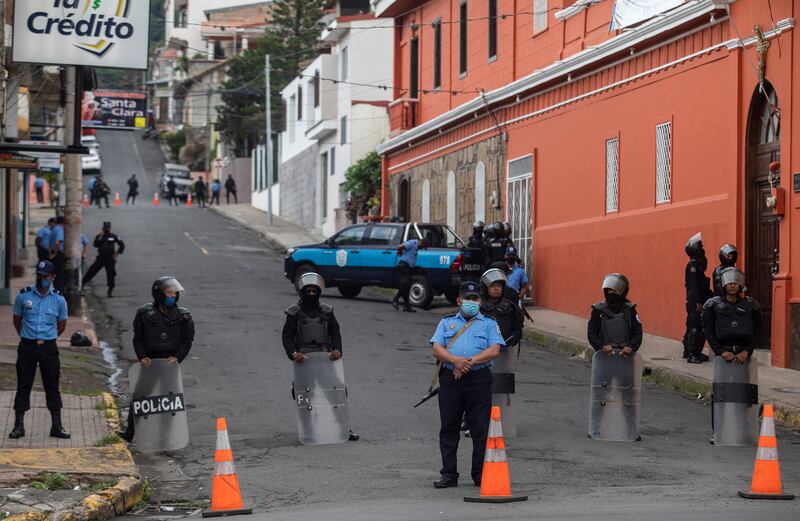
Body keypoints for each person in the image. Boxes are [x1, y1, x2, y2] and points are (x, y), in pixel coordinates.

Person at [431, 281, 505, 488]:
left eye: (475, 299)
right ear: (459, 301)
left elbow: (494, 350)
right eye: (467, 299)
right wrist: (455, 361)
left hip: (478, 380)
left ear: (480, 301)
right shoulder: (446, 323)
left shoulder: (489, 323)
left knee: (480, 429)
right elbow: (437, 349)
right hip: (450, 381)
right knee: (448, 427)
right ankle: (449, 474)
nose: (471, 302)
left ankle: (480, 474)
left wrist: (467, 363)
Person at [282, 273, 358, 441]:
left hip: (325, 358)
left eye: (313, 292)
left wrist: (337, 350)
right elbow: (286, 336)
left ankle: (344, 427)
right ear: (302, 292)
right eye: (308, 291)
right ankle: (308, 428)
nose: (311, 295)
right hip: (304, 360)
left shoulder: (327, 312)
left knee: (338, 392)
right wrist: (293, 354)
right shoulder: (294, 313)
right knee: (302, 393)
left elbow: (335, 333)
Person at [118, 277, 194, 442]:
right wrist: (143, 357)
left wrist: (177, 358)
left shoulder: (183, 316)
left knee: (169, 402)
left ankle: (165, 436)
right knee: (140, 398)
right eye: (169, 293)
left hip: (169, 364)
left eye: (174, 293)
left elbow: (187, 342)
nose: (172, 296)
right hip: (150, 363)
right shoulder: (144, 314)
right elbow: (137, 339)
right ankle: (130, 431)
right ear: (159, 293)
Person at [8, 261, 70, 440]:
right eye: (39, 275)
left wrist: (47, 337)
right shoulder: (24, 296)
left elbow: (62, 325)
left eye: (45, 276)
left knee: (52, 386)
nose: (41, 279)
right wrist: (28, 336)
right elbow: (16, 320)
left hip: (49, 348)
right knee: (23, 385)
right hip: (27, 346)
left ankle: (56, 426)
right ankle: (18, 426)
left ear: (52, 277)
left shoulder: (58, 299)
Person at [702, 267, 760, 365]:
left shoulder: (751, 305)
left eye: (735, 283)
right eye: (729, 283)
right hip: (722, 354)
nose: (732, 286)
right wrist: (721, 351)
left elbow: (757, 330)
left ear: (740, 285)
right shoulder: (713, 305)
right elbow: (708, 331)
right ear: (723, 284)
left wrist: (746, 351)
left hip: (744, 354)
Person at [587, 273, 643, 355]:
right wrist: (601, 346)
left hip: (625, 356)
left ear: (623, 292)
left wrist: (631, 347)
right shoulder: (598, 310)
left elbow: (638, 331)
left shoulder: (630, 310)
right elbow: (592, 333)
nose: (611, 293)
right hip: (604, 356)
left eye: (614, 291)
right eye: (609, 290)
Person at [683, 233, 712, 364]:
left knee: (696, 326)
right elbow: (694, 286)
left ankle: (693, 351)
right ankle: (691, 353)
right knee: (695, 326)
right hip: (695, 300)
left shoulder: (696, 264)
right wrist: (698, 302)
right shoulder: (693, 266)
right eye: (700, 246)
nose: (702, 247)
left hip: (699, 298)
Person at [82, 222, 125, 298]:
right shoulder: (99, 236)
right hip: (101, 258)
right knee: (92, 271)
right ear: (103, 228)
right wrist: (101, 235)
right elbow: (95, 245)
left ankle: (110, 291)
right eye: (105, 228)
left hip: (110, 258)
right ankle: (82, 284)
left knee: (111, 275)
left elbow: (122, 245)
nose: (107, 229)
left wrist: (117, 253)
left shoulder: (114, 236)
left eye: (108, 228)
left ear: (110, 228)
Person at [392, 237, 424, 312]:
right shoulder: (412, 243)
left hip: (409, 267)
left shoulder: (417, 246)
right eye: (422, 245)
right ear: (420, 241)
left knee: (407, 286)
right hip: (404, 265)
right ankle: (395, 299)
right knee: (405, 284)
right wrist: (399, 252)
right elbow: (400, 246)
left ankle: (407, 306)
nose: (422, 247)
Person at [51, 217, 66, 293]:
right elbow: (57, 242)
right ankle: (59, 292)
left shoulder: (55, 228)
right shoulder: (59, 229)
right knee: (60, 274)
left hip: (55, 253)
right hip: (58, 254)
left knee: (57, 273)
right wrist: (55, 253)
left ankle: (57, 289)